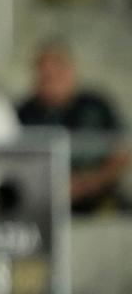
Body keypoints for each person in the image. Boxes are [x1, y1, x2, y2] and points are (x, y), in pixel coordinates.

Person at [17, 39, 130, 213]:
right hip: (42, 207)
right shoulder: (23, 112)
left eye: (57, 70)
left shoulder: (97, 105)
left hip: (99, 203)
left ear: (71, 70)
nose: (51, 78)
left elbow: (122, 151)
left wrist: (88, 183)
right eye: (45, 73)